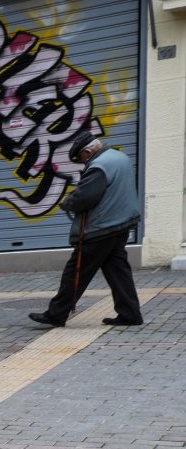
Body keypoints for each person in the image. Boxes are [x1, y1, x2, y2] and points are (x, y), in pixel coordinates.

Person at [29, 130, 143, 328]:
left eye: (81, 157)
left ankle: (56, 314)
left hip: (101, 228)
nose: (82, 162)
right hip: (121, 224)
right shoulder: (119, 157)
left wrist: (68, 203)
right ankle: (130, 313)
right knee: (118, 272)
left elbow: (86, 197)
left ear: (88, 151)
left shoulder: (99, 165)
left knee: (75, 271)